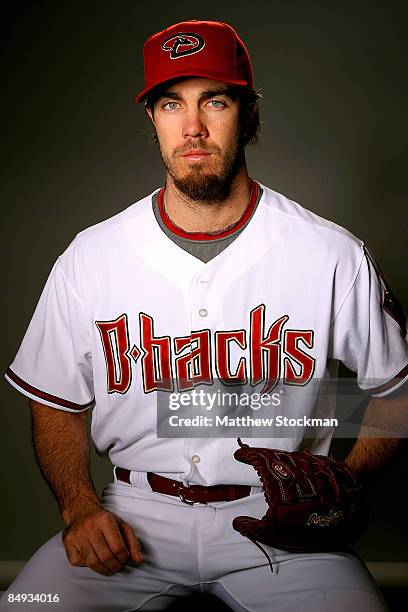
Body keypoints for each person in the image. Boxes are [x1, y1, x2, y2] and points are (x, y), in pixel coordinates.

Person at [1, 19, 407, 612]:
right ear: (153, 118)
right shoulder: (91, 256)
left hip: (284, 526)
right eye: (171, 104)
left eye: (214, 101)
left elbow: (396, 392)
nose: (192, 127)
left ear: (247, 112)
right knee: (27, 606)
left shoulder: (331, 254)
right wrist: (79, 507)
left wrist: (345, 483)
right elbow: (57, 400)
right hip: (134, 515)